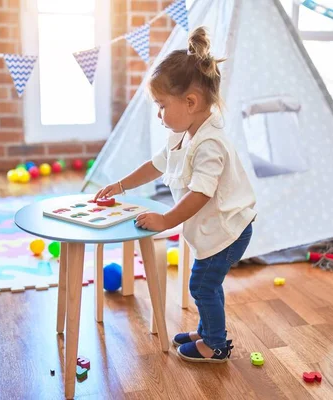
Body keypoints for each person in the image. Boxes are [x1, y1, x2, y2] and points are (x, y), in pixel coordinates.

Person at [94, 26, 256, 363]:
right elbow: (154, 166)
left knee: (201, 286)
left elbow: (200, 194)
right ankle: (210, 330)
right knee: (207, 284)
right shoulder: (180, 135)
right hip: (215, 228)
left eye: (162, 105)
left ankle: (215, 345)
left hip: (229, 230)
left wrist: (167, 220)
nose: (159, 114)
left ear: (191, 102)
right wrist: (120, 185)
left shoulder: (210, 144)